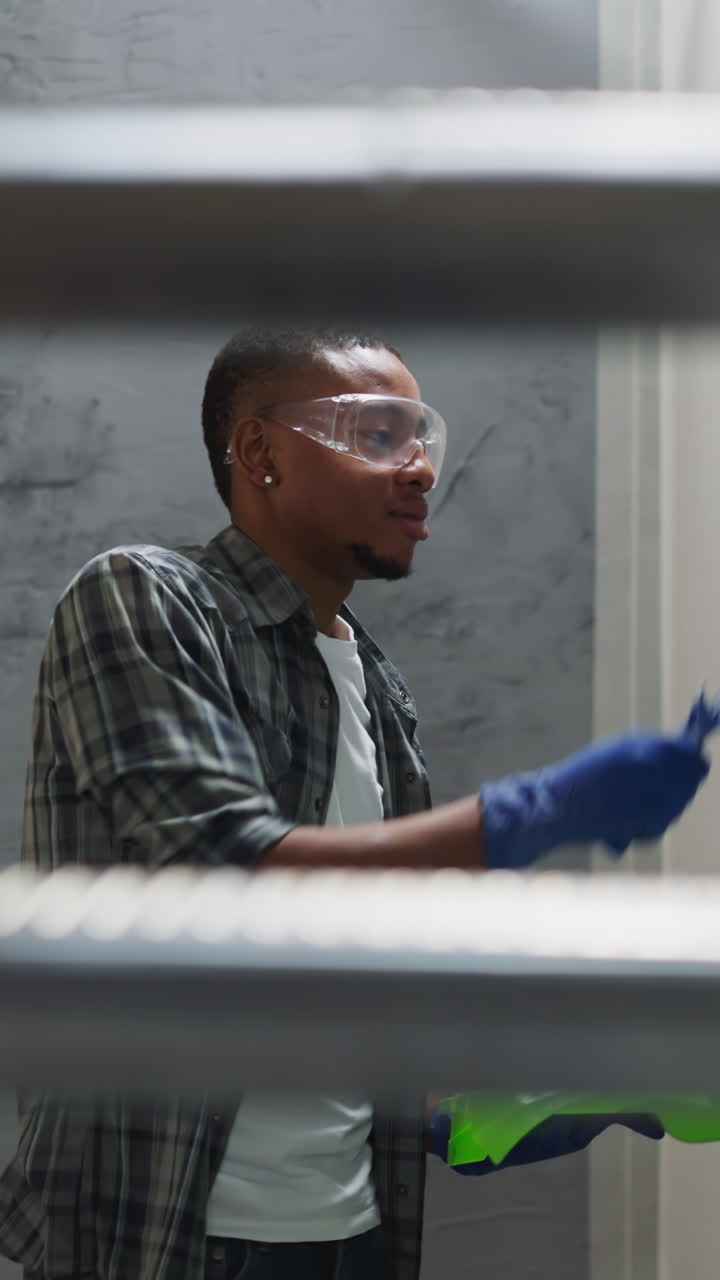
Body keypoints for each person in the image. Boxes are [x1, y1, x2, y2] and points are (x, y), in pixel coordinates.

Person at [0, 327, 709, 1280]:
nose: (419, 469)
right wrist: (531, 813)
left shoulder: (377, 685)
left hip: (351, 1237)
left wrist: (493, 1110)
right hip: (161, 1232)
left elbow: (345, 974)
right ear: (260, 454)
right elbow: (224, 872)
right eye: (379, 434)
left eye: (424, 439)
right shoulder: (142, 598)